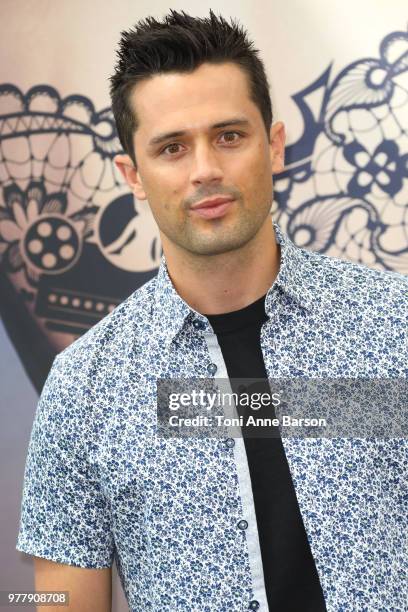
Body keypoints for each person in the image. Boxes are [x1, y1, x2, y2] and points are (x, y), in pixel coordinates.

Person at [16, 9, 407, 612]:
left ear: (273, 146)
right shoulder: (85, 391)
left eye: (229, 136)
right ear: (133, 174)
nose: (205, 170)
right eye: (172, 147)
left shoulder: (391, 326)